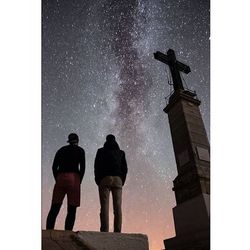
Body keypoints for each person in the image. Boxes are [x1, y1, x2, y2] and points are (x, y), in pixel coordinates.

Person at [46, 133, 85, 230]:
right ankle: (67, 232)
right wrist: (79, 180)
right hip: (74, 177)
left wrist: (57, 178)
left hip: (60, 177)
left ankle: (49, 230)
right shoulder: (80, 150)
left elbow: (54, 166)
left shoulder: (61, 150)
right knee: (72, 208)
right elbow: (83, 167)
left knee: (55, 206)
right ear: (77, 141)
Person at [94, 134, 128, 233]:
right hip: (118, 179)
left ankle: (104, 230)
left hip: (104, 179)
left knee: (104, 206)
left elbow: (97, 166)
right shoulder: (121, 153)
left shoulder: (100, 151)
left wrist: (98, 180)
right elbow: (125, 169)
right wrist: (122, 181)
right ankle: (117, 231)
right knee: (117, 207)